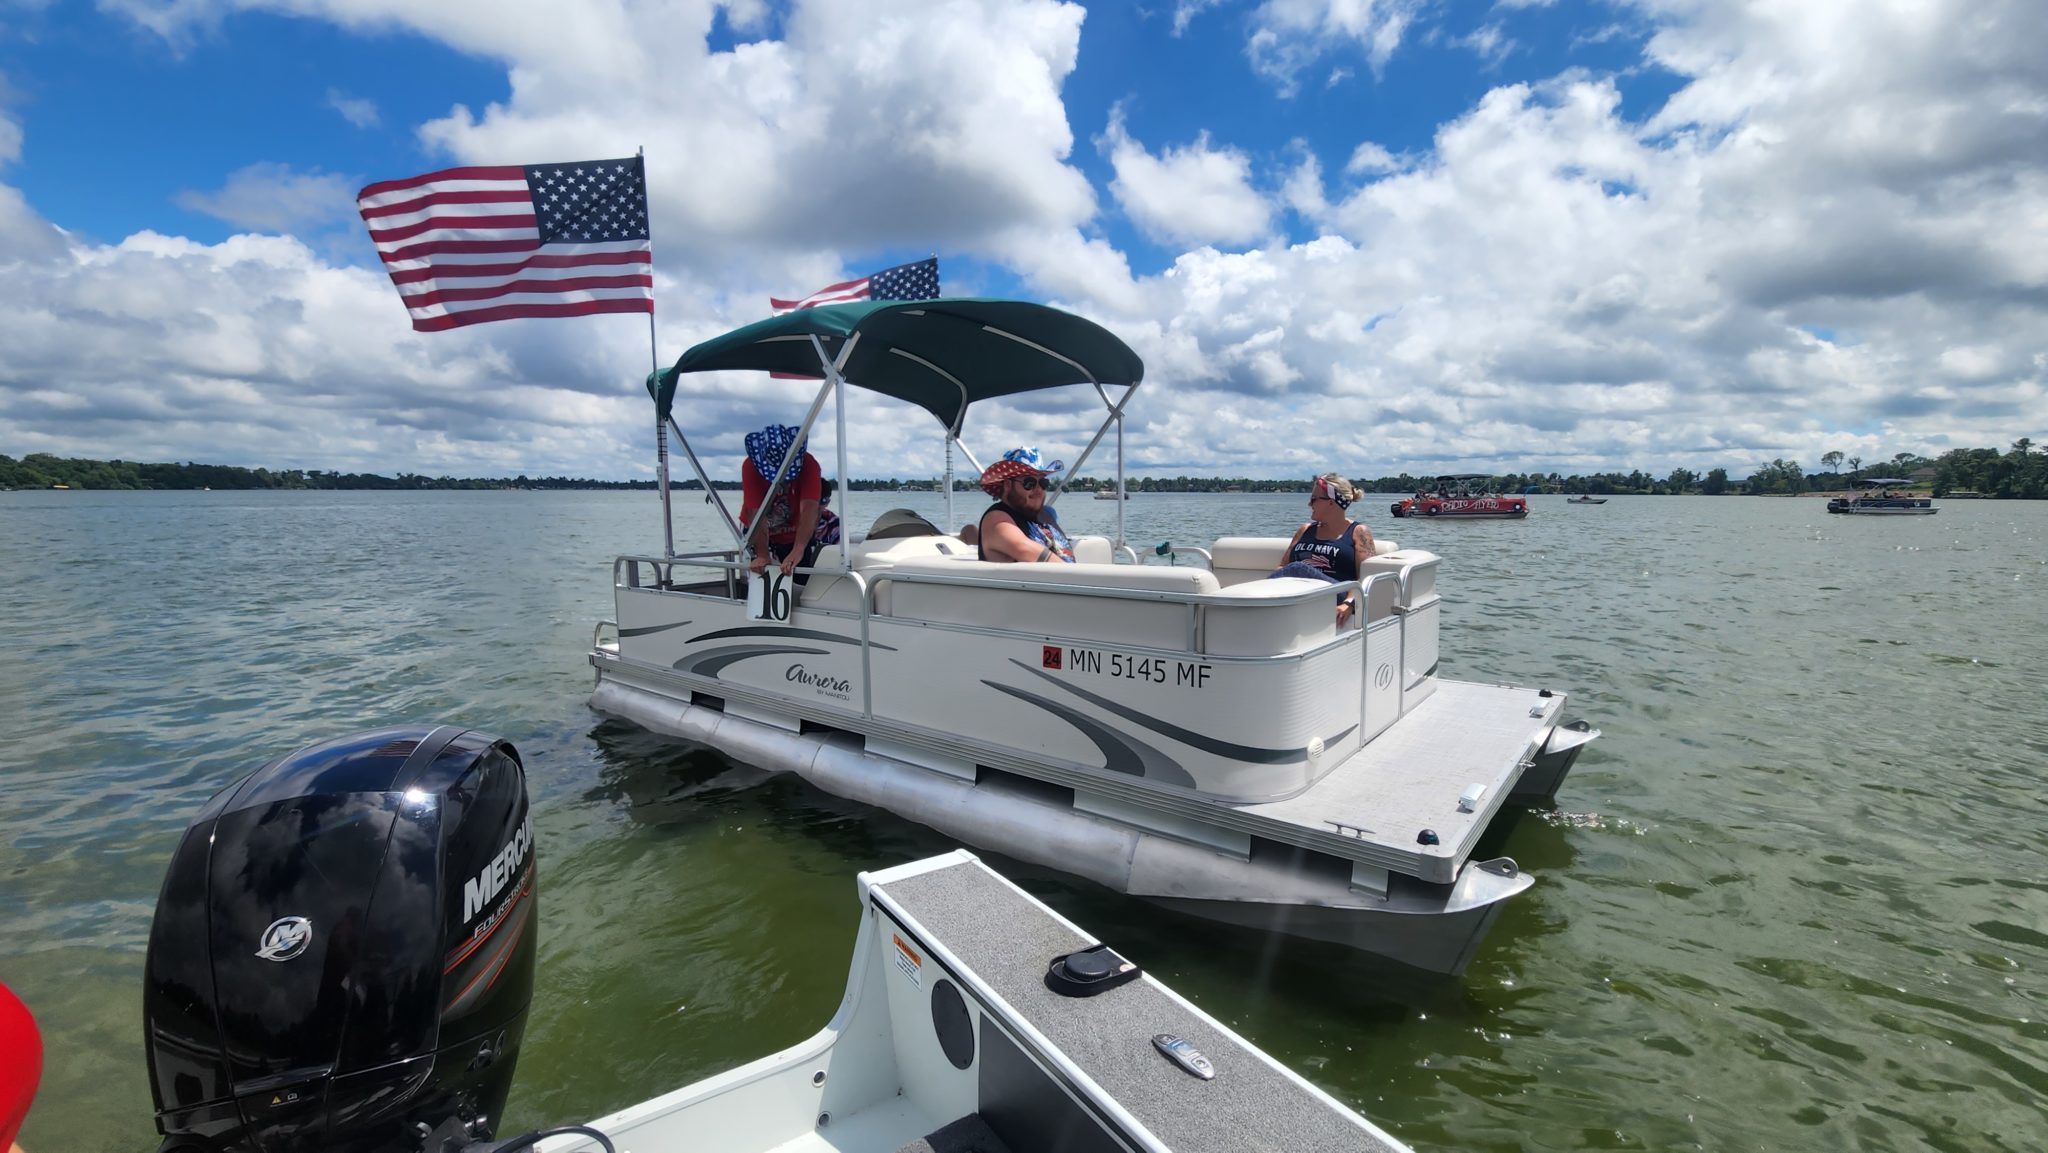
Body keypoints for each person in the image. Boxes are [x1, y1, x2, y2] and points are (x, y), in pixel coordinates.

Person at [1270, 474, 1378, 626]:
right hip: (1300, 593)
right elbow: (1282, 567)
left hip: (1336, 593)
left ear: (1331, 502)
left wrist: (1349, 603)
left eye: (1314, 499)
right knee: (1294, 570)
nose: (1309, 504)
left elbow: (1367, 577)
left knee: (1297, 568)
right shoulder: (1305, 530)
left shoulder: (1358, 532)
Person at [739, 423, 823, 584]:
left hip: (795, 530)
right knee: (760, 576)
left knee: (800, 577)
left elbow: (810, 509)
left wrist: (798, 549)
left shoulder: (810, 464)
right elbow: (755, 512)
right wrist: (762, 554)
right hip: (756, 530)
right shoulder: (750, 467)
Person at [976, 447, 1076, 563]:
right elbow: (1023, 549)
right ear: (1008, 485)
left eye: (1043, 483)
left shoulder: (1045, 515)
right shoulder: (996, 518)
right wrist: (1078, 577)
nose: (1039, 490)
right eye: (1029, 483)